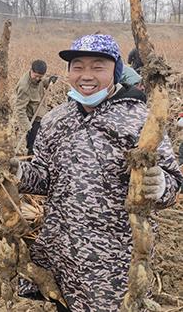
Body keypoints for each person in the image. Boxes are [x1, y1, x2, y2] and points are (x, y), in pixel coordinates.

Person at [11, 34, 182, 311]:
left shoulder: (141, 120)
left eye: (97, 67)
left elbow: (173, 184)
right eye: (77, 66)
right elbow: (45, 178)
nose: (85, 76)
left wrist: (160, 184)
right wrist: (17, 173)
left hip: (114, 262)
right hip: (62, 252)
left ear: (115, 70)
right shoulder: (56, 119)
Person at [14, 59, 57, 155]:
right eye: (36, 76)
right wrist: (28, 127)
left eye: (40, 77)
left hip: (41, 114)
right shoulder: (24, 87)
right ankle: (30, 161)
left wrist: (49, 81)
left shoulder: (38, 78)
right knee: (32, 147)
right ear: (31, 71)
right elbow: (20, 110)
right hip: (32, 120)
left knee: (43, 143)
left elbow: (42, 83)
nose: (37, 79)